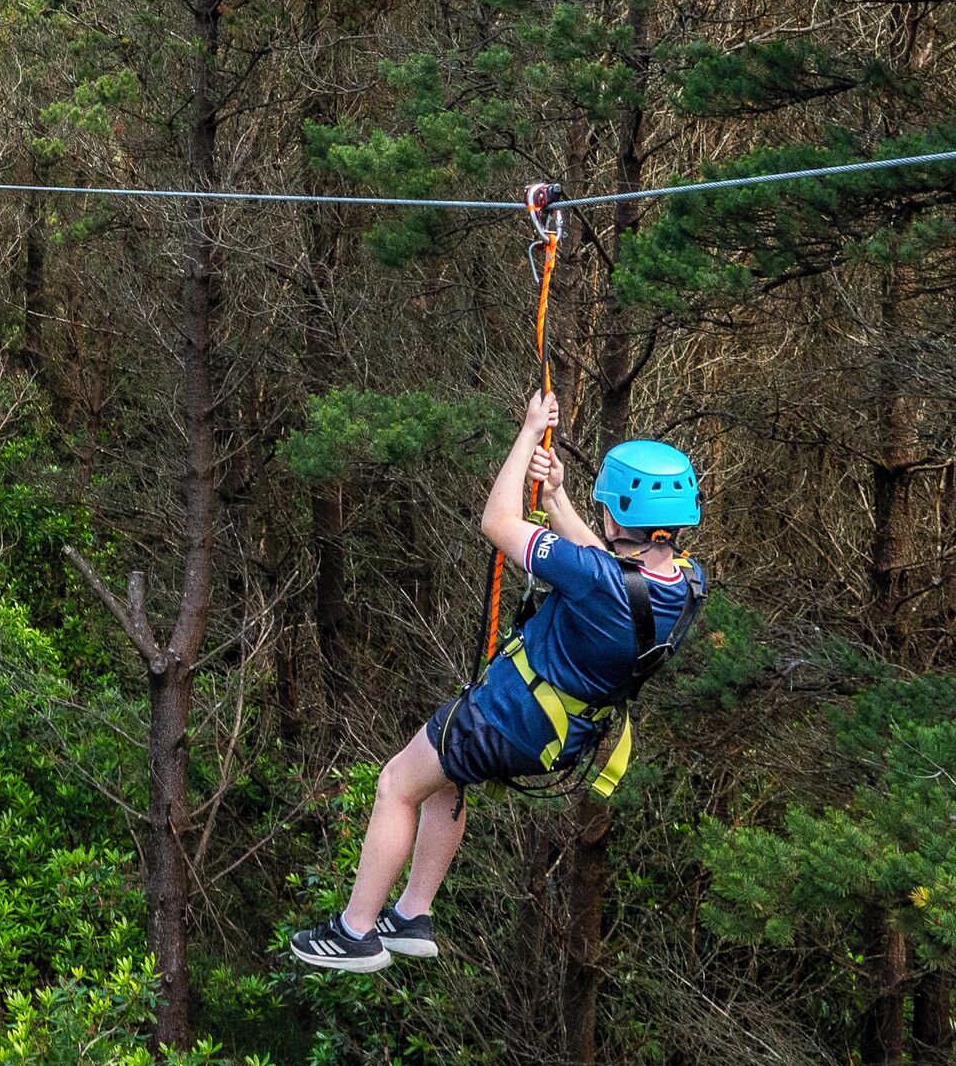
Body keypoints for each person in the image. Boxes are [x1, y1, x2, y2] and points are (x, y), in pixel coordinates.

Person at [288, 390, 703, 974]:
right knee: (446, 780)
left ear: (616, 513)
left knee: (397, 786)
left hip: (506, 716)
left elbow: (497, 522)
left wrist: (528, 434)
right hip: (562, 737)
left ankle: (356, 930)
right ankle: (412, 915)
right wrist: (556, 498)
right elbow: (614, 572)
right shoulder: (686, 586)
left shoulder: (593, 576)